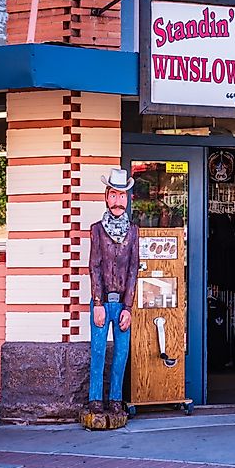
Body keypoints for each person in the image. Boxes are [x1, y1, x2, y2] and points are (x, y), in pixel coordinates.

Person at [87, 168, 139, 417]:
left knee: (120, 354)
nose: (118, 201)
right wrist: (97, 301)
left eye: (122, 196)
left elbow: (133, 270)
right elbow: (94, 265)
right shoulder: (97, 229)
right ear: (106, 197)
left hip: (122, 304)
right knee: (98, 352)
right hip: (102, 301)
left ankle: (116, 398)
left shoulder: (133, 231)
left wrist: (128, 307)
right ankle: (95, 399)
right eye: (114, 195)